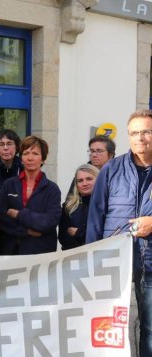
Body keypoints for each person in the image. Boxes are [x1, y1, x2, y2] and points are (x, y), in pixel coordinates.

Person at [86, 109, 152, 357]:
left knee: (150, 328)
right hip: (113, 262)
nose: (140, 138)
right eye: (134, 132)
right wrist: (91, 261)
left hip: (150, 264)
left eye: (146, 131)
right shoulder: (111, 170)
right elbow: (96, 217)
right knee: (110, 327)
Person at [0, 135, 61, 255]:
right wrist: (26, 231)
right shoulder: (9, 184)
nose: (30, 158)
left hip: (40, 253)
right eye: (26, 153)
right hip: (10, 252)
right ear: (21, 158)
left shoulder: (52, 189)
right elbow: (0, 217)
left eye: (35, 154)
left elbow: (50, 221)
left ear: (43, 159)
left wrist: (19, 214)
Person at [58, 164, 99, 250]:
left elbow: (103, 235)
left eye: (89, 179)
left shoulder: (106, 204)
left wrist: (78, 233)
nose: (85, 183)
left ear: (99, 179)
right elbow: (63, 238)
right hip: (75, 257)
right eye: (80, 181)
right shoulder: (68, 206)